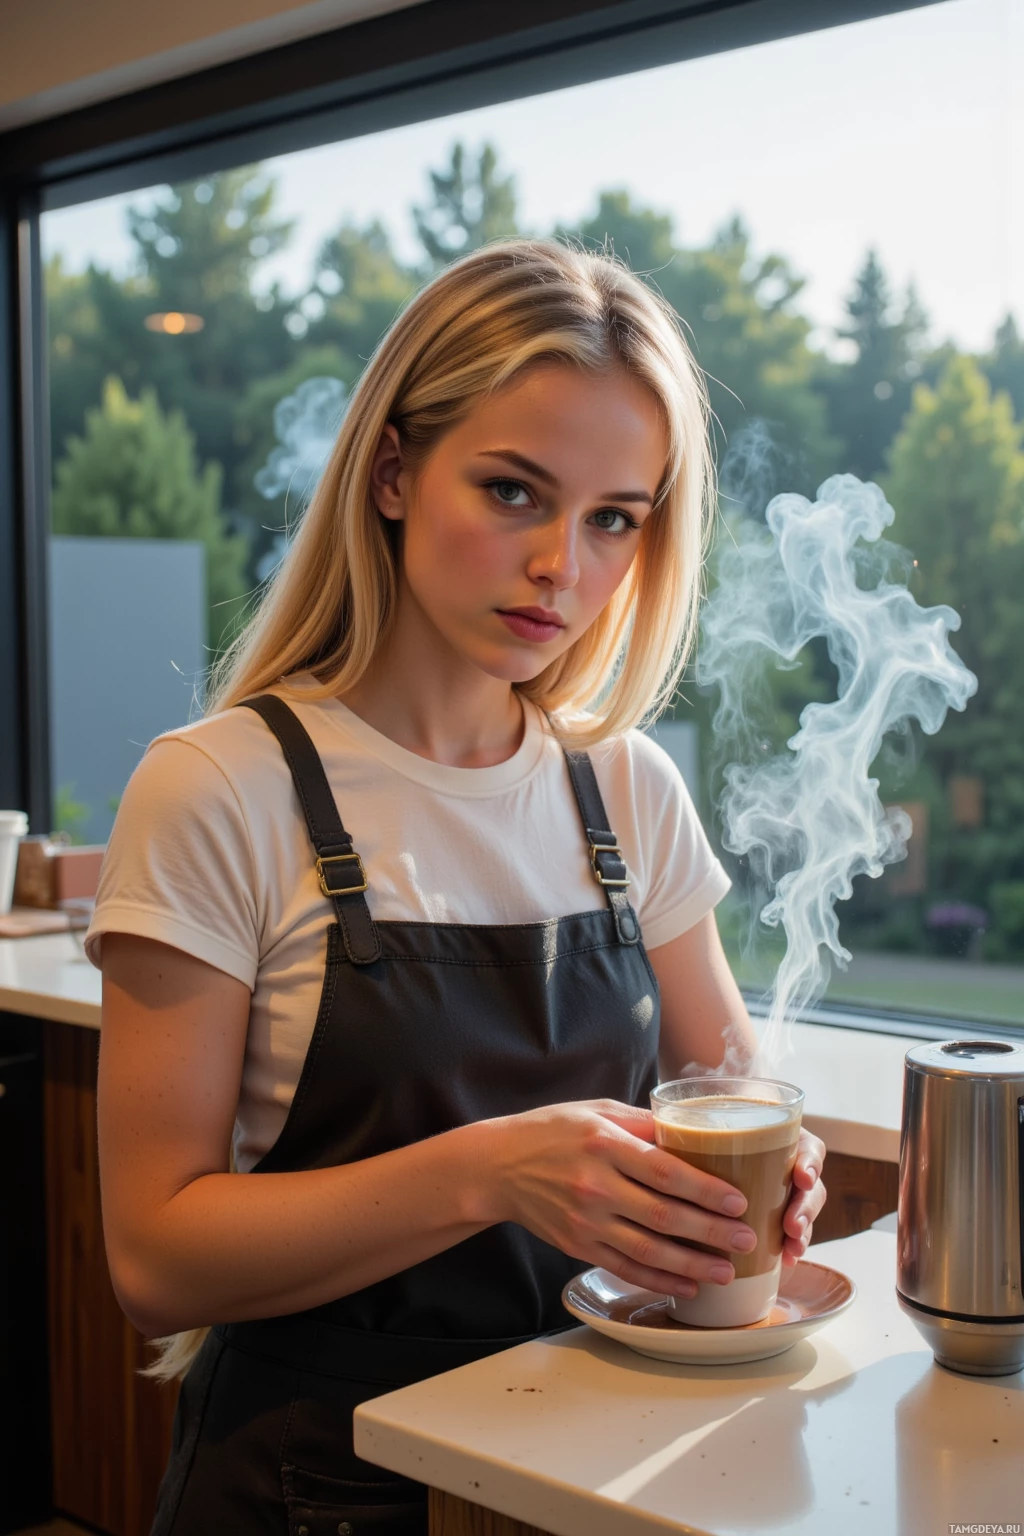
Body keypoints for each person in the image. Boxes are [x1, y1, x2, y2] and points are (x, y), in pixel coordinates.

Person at [90, 239, 827, 1536]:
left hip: (591, 1467)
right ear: (391, 471)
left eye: (614, 519)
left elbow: (726, 1096)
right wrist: (490, 1173)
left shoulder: (629, 789)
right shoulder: (220, 788)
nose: (564, 567)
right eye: (512, 491)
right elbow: (154, 1257)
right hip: (315, 1487)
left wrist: (780, 1180)